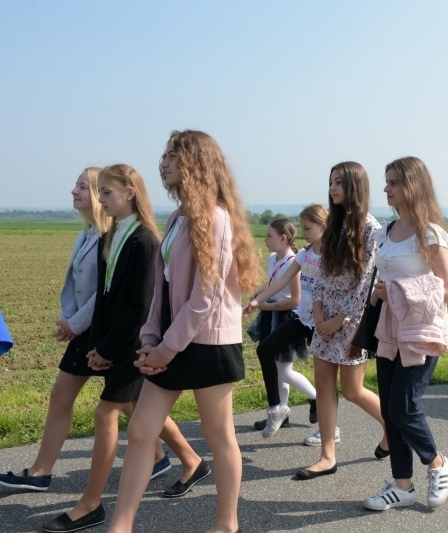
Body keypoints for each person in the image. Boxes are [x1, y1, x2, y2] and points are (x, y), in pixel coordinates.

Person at [106, 131, 260, 533]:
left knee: (218, 434)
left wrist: (166, 350)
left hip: (208, 344)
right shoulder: (177, 219)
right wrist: (150, 340)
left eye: (173, 156)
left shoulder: (218, 217)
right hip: (171, 343)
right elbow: (163, 289)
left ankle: (226, 523)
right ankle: (119, 526)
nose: (164, 163)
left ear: (196, 163)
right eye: (165, 156)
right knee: (140, 429)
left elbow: (205, 298)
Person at [40, 164, 201, 532]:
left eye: (106, 192)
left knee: (105, 415)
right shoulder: (111, 236)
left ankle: (91, 504)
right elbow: (105, 301)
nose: (101, 200)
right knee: (132, 407)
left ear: (130, 192)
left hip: (132, 346)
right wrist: (95, 345)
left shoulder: (144, 241)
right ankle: (192, 460)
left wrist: (109, 349)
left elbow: (138, 308)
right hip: (114, 344)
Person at [0, 169, 111, 493]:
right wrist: (67, 318)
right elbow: (74, 286)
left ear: (97, 194)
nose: (73, 191)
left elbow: (103, 292)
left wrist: (74, 324)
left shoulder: (108, 237)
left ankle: (184, 458)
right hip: (82, 331)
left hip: (99, 332)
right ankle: (40, 472)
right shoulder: (86, 233)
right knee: (66, 396)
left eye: (81, 187)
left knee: (129, 403)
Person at [361, 156, 448, 511]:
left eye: (393, 183)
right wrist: (379, 293)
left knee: (404, 406)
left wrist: (396, 290)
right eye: (386, 182)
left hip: (421, 331)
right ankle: (401, 485)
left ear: (412, 186)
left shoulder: (429, 233)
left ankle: (437, 463)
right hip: (389, 330)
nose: (386, 189)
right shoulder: (385, 232)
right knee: (389, 408)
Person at [294, 161, 388, 480]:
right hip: (324, 318)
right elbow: (322, 273)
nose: (332, 188)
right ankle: (327, 456)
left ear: (354, 186)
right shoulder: (333, 224)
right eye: (330, 182)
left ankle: (393, 428)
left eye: (339, 183)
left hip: (350, 321)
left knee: (352, 390)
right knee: (323, 385)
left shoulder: (371, 229)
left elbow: (366, 285)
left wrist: (340, 321)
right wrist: (319, 310)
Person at [245, 216, 318, 439]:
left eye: (269, 236)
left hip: (285, 317)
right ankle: (281, 415)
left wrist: (268, 305)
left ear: (283, 238)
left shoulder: (293, 261)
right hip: (271, 314)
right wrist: (259, 293)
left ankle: (316, 399)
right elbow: (273, 284)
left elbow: (295, 300)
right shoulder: (272, 259)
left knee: (284, 371)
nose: (265, 239)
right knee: (277, 370)